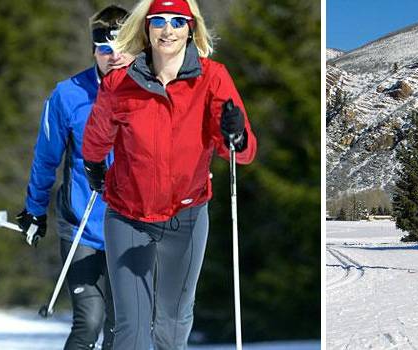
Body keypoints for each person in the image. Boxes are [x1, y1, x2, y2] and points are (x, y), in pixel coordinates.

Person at [81, 0, 257, 348]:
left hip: (187, 216)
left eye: (178, 21)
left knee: (172, 322)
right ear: (146, 27)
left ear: (191, 27)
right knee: (131, 327)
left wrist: (234, 135)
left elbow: (242, 151)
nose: (168, 29)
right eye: (158, 20)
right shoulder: (119, 82)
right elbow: (97, 137)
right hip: (128, 216)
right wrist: (94, 165)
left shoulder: (212, 77)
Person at [16, 5, 133, 349]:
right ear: (94, 50)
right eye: (104, 49)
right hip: (81, 222)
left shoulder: (149, 92)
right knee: (89, 321)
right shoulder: (68, 94)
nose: (114, 57)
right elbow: (45, 158)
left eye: (121, 47)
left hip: (131, 225)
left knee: (121, 325)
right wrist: (35, 209)